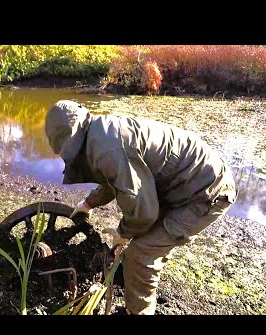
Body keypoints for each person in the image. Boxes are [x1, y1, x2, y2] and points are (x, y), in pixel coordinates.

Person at [44, 100, 238, 315]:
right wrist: (89, 204)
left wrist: (123, 233)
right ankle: (137, 278)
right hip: (181, 184)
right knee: (145, 243)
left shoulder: (107, 148)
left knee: (142, 252)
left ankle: (138, 311)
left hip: (205, 192)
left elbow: (144, 212)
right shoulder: (99, 132)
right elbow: (114, 180)